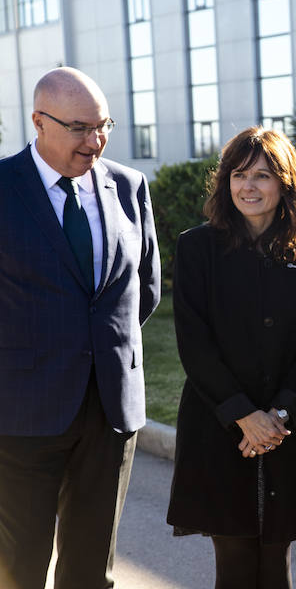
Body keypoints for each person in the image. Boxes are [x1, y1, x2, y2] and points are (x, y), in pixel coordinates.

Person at [0, 67, 161, 588]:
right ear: (38, 122)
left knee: (92, 566)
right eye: (79, 128)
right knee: (19, 566)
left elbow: (145, 288)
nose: (96, 141)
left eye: (103, 125)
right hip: (21, 413)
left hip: (110, 409)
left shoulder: (130, 186)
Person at [166, 127, 296, 588]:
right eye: (238, 175)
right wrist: (244, 416)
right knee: (234, 564)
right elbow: (193, 344)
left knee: (276, 565)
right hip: (219, 427)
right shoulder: (197, 247)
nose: (248, 186)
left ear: (286, 184)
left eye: (262, 175)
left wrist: (276, 414)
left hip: (285, 432)